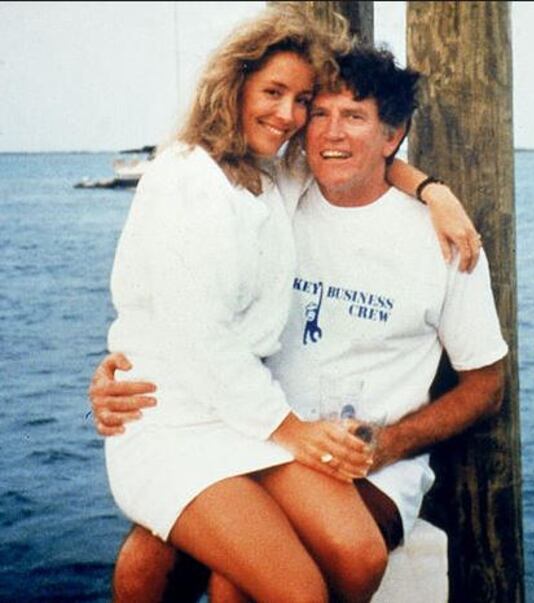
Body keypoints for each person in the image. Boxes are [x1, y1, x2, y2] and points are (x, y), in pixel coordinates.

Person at [95, 5, 484, 602]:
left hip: (243, 417)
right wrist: (292, 430)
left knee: (355, 557)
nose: (293, 117)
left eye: (301, 100)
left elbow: (362, 157)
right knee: (227, 576)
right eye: (278, 94)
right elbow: (191, 333)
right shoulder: (184, 180)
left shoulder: (272, 177)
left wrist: (434, 191)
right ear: (235, 85)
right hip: (184, 415)